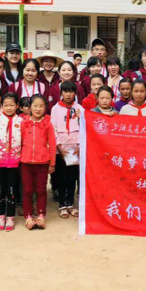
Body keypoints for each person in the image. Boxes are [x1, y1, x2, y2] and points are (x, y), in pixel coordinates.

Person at [0, 93, 23, 232]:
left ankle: (11, 216)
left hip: (15, 163)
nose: (9, 108)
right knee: (0, 190)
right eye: (6, 105)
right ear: (2, 106)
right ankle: (1, 216)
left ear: (17, 106)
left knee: (12, 189)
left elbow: (24, 142)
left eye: (12, 105)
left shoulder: (21, 121)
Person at [20, 95, 56, 231]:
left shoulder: (47, 123)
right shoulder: (23, 123)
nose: (38, 109)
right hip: (26, 162)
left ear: (45, 108)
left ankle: (41, 215)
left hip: (42, 162)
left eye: (41, 106)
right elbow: (19, 142)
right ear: (29, 107)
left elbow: (52, 144)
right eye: (35, 106)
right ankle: (28, 217)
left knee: (41, 190)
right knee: (27, 190)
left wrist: (52, 163)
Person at [51, 82, 84, 218]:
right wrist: (59, 147)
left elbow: (83, 127)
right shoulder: (55, 108)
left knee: (72, 177)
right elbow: (53, 128)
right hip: (61, 149)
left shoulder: (79, 108)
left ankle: (70, 204)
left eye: (71, 91)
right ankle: (62, 205)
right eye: (66, 91)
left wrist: (80, 146)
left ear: (75, 93)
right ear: (61, 93)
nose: (68, 94)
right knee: (61, 177)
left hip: (75, 148)